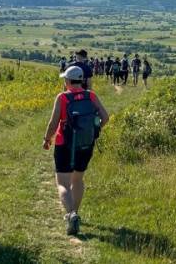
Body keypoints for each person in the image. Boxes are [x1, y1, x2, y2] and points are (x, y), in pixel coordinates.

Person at [42, 66, 109, 236]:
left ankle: (71, 214)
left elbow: (53, 123)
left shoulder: (63, 98)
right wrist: (94, 131)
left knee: (63, 183)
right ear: (81, 80)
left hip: (64, 144)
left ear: (67, 81)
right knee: (78, 180)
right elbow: (105, 117)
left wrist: (46, 139)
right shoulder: (91, 95)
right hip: (86, 144)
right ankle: (75, 213)